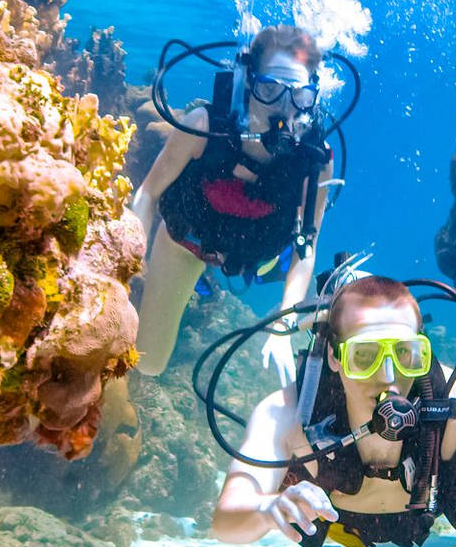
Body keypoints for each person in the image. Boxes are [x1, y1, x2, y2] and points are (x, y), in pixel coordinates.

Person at [208, 276, 456, 547]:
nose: (388, 377)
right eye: (364, 356)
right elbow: (225, 522)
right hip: (338, 522)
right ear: (334, 358)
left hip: (417, 517)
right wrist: (267, 509)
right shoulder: (285, 414)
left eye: (405, 353)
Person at [129, 25, 332, 381]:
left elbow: (307, 244)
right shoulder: (205, 126)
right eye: (270, 89)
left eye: (299, 95)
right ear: (248, 82)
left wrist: (283, 325)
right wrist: (126, 262)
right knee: (149, 363)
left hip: (260, 256)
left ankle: (221, 281)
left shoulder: (315, 159)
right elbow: (148, 193)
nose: (284, 108)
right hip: (185, 244)